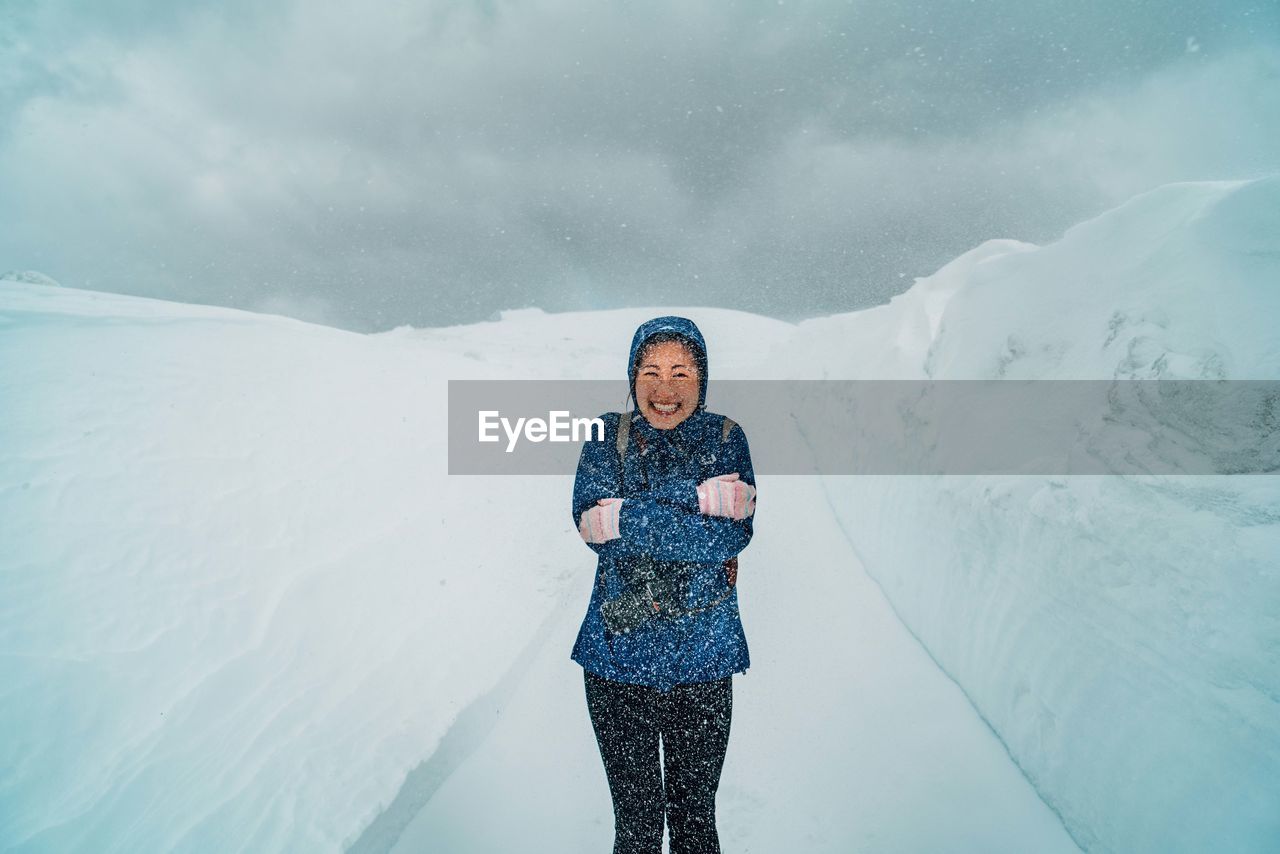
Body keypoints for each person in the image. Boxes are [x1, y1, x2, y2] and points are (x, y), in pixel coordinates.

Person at [572, 316, 758, 854]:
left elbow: (731, 534)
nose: (665, 388)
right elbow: (593, 525)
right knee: (636, 829)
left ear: (702, 378)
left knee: (696, 825)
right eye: (651, 371)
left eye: (682, 371)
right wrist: (700, 502)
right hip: (615, 664)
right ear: (632, 378)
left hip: (704, 663)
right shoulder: (608, 434)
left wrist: (631, 512)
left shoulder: (727, 437)